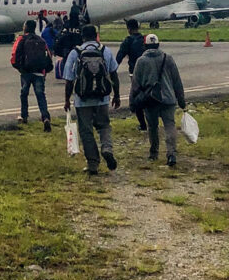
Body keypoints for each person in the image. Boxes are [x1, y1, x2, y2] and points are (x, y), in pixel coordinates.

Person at [63, 24, 121, 175]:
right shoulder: (105, 51)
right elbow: (113, 74)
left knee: (86, 131)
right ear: (96, 35)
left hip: (82, 100)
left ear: (82, 36)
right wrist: (117, 95)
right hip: (102, 98)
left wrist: (66, 100)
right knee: (104, 126)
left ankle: (93, 164)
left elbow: (69, 79)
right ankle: (107, 149)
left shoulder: (75, 52)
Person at [130, 34, 186, 167]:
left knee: (152, 127)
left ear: (145, 46)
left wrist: (133, 103)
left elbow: (135, 84)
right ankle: (171, 153)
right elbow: (177, 81)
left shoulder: (141, 61)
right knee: (170, 125)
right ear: (158, 45)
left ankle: (154, 153)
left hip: (150, 99)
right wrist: (181, 100)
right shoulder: (168, 58)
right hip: (168, 98)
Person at [11, 20, 54, 131]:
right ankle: (45, 117)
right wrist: (45, 70)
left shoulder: (21, 39)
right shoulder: (41, 40)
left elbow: (14, 55)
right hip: (39, 72)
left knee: (24, 94)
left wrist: (20, 68)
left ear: (25, 27)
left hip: (26, 72)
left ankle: (24, 116)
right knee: (40, 95)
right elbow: (48, 57)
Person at [116, 19, 148, 131]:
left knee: (137, 98)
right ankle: (151, 121)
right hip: (148, 71)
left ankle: (143, 124)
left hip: (134, 72)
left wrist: (112, 70)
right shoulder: (144, 39)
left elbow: (119, 57)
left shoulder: (128, 40)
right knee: (149, 94)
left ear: (128, 29)